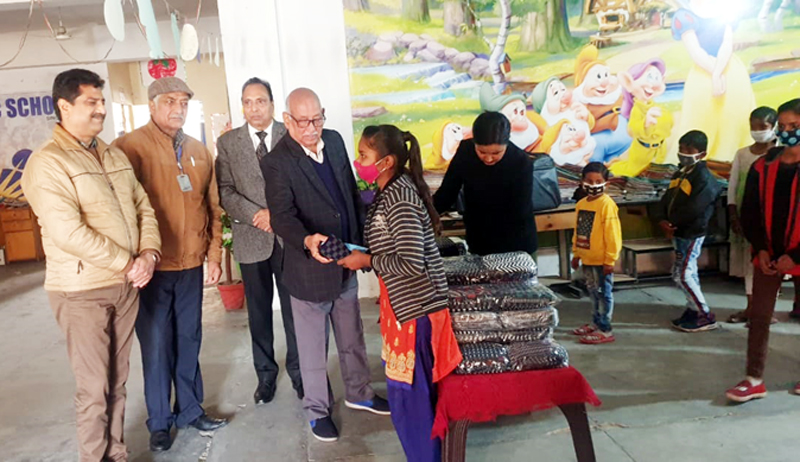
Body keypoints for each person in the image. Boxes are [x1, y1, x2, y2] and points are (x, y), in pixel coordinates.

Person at [21, 68, 161, 462]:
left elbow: (142, 206)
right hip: (81, 291)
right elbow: (69, 232)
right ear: (64, 106)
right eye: (91, 102)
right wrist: (128, 262)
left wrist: (148, 254)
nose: (101, 109)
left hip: (126, 284)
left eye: (102, 101)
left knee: (118, 381)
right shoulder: (47, 164)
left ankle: (115, 453)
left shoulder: (112, 153)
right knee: (93, 386)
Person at [261, 88, 389, 443]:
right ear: (287, 120)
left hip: (345, 258)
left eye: (317, 118)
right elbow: (282, 217)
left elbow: (348, 193)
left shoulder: (333, 141)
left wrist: (366, 240)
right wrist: (306, 240)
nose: (312, 128)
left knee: (352, 337)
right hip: (308, 270)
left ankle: (360, 393)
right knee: (313, 348)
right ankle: (317, 411)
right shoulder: (276, 162)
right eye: (303, 121)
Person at [113, 77, 227, 452]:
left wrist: (213, 257)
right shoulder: (130, 148)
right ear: (151, 105)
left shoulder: (198, 150)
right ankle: (160, 422)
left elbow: (212, 208)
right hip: (154, 270)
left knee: (189, 339)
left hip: (191, 265)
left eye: (183, 102)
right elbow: (118, 210)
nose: (178, 108)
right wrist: (132, 260)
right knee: (158, 345)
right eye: (169, 102)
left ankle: (191, 410)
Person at [338, 125, 463, 462]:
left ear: (387, 161)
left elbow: (410, 262)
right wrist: (362, 252)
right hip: (402, 309)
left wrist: (366, 259)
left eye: (364, 156)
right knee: (406, 399)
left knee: (413, 401)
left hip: (417, 311)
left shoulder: (400, 198)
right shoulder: (388, 191)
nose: (358, 161)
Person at [216, 77, 303, 404]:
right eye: (248, 102)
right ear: (242, 105)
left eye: (260, 101)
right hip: (252, 239)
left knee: (295, 311)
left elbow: (302, 182)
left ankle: (299, 374)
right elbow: (225, 190)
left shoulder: (289, 133)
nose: (254, 108)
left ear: (271, 103)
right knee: (259, 312)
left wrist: (278, 216)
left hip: (290, 239)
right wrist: (257, 214)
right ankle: (265, 376)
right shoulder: (228, 143)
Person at [725, 98, 800, 403]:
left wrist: (794, 257)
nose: (786, 132)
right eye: (782, 126)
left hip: (796, 254)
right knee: (759, 316)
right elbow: (751, 211)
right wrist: (762, 249)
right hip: (768, 255)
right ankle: (754, 378)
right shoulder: (763, 165)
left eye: (793, 126)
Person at [433, 111, 537, 256]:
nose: (488, 158)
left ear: (506, 144)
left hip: (516, 242)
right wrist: (425, 216)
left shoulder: (520, 162)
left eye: (496, 153)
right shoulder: (465, 152)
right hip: (479, 239)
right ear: (474, 142)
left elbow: (519, 210)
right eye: (482, 152)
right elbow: (447, 193)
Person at [671, 0, 755, 161]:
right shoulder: (684, 15)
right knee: (702, 116)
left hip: (731, 70)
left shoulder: (725, 11)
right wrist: (714, 73)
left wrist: (718, 72)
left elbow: (727, 43)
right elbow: (694, 50)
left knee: (734, 114)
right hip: (702, 74)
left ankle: (732, 159)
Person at [657, 130, 721, 333]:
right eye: (680, 149)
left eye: (688, 150)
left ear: (701, 154)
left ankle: (704, 314)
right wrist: (662, 219)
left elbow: (695, 208)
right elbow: (666, 199)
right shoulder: (681, 173)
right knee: (684, 272)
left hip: (691, 233)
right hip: (678, 232)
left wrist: (673, 222)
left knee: (683, 275)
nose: (683, 153)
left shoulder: (704, 178)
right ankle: (692, 310)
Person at [727, 107, 781, 325]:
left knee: (769, 263)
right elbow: (733, 186)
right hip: (747, 215)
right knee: (750, 263)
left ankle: (766, 311)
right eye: (754, 126)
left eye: (763, 127)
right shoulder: (743, 154)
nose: (757, 131)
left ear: (774, 127)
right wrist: (733, 214)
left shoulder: (782, 152)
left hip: (771, 217)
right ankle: (751, 308)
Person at [571, 162, 622, 344]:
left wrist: (610, 259)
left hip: (601, 261)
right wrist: (576, 253)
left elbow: (613, 234)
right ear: (582, 182)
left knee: (603, 294)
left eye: (598, 181)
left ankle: (605, 329)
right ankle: (595, 321)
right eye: (589, 181)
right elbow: (579, 230)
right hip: (587, 259)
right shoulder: (582, 204)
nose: (593, 185)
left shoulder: (607, 205)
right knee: (592, 293)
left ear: (606, 183)